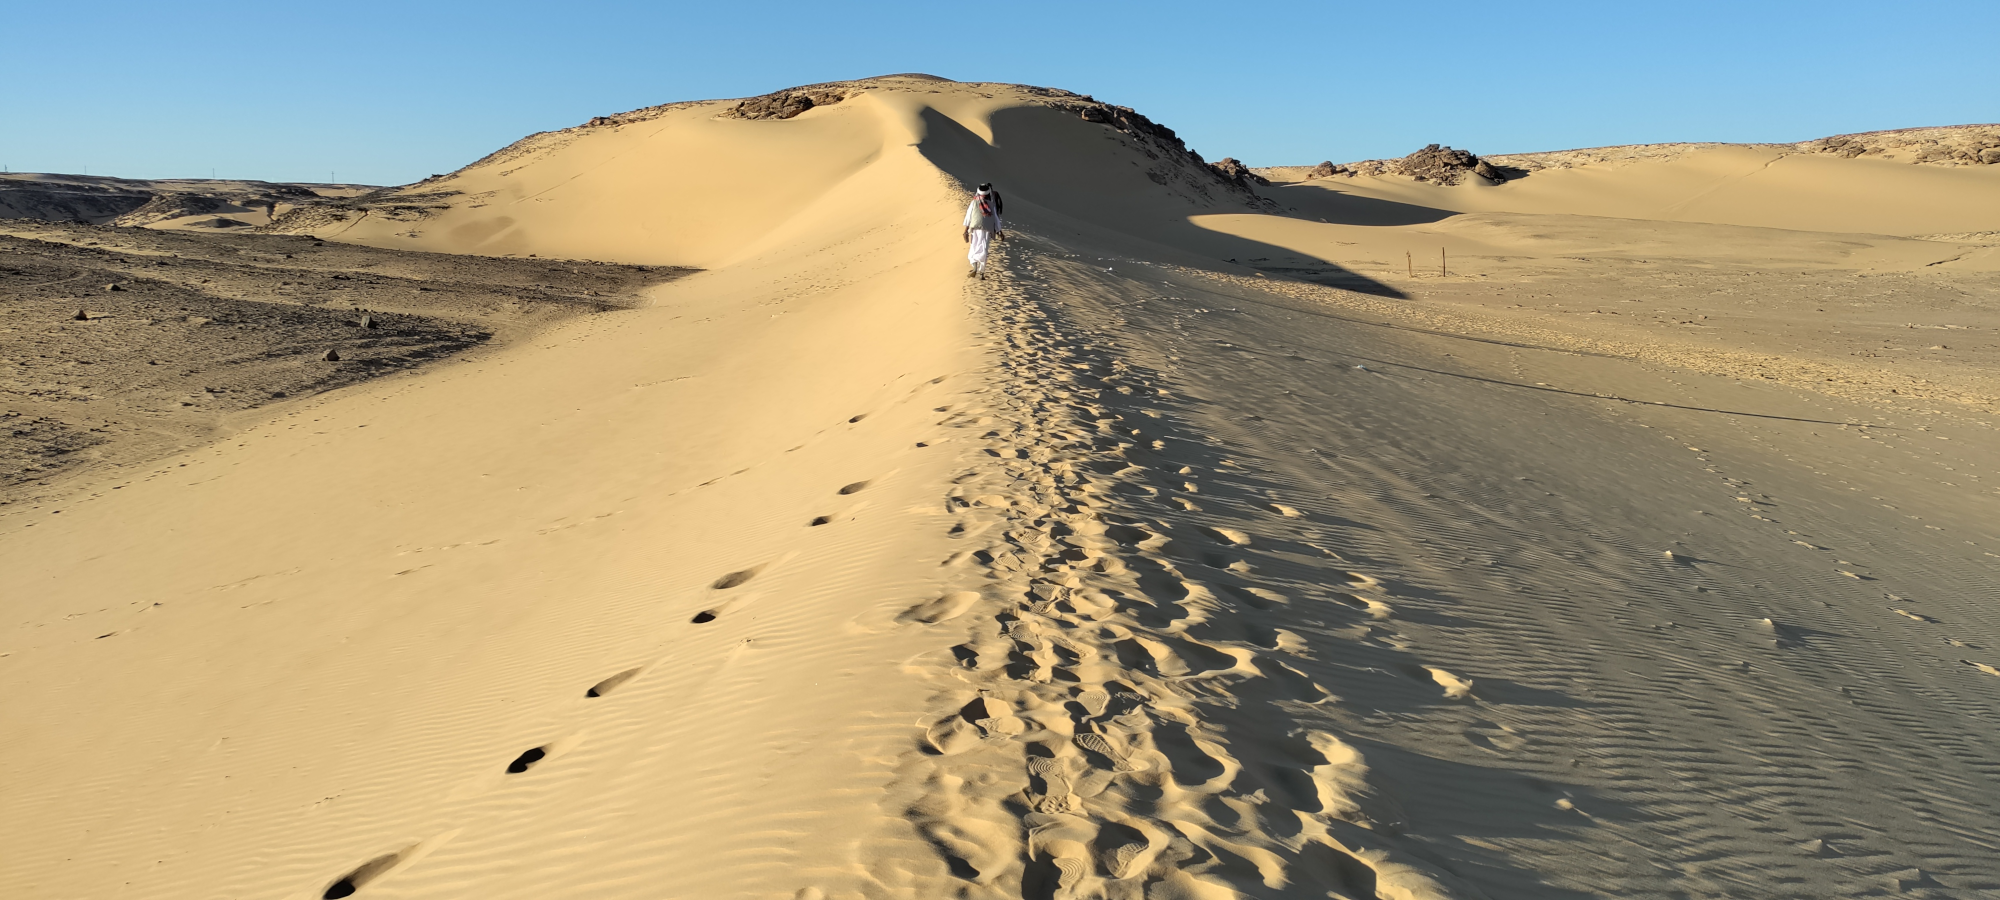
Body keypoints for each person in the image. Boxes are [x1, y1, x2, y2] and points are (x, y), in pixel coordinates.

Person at [962, 183, 1004, 278]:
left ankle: (974, 268)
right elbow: (996, 219)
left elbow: (968, 217)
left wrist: (966, 230)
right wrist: (999, 231)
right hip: (987, 230)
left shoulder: (974, 202)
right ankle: (982, 273)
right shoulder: (991, 204)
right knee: (984, 249)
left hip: (975, 229)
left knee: (974, 247)